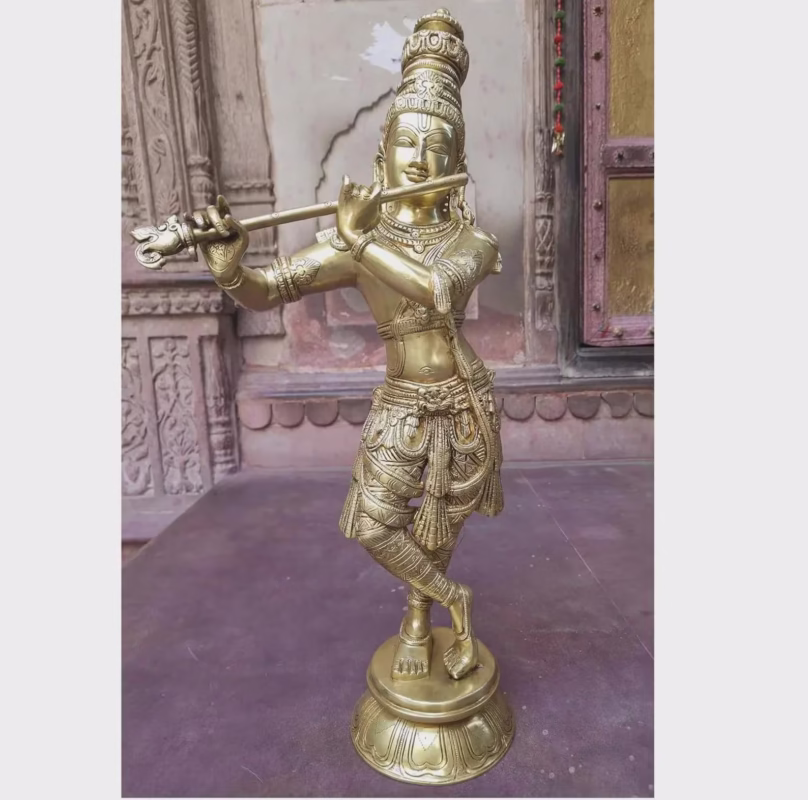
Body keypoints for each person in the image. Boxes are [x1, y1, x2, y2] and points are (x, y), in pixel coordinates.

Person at [189, 8, 503, 681]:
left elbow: (437, 290)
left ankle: (418, 621)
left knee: (438, 529)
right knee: (374, 523)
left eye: (436, 146)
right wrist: (230, 269)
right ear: (383, 151)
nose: (418, 158)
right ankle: (453, 599)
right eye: (406, 141)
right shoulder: (360, 239)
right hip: (400, 404)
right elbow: (270, 289)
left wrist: (359, 242)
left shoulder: (471, 241)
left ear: (455, 161)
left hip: (463, 404)